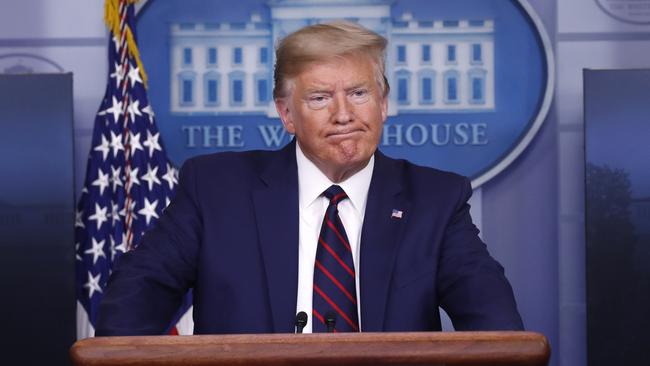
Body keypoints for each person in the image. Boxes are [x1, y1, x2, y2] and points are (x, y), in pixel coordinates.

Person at [96, 21, 523, 335]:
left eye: (359, 93)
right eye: (320, 98)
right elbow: (134, 301)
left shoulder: (435, 199)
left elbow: (496, 325)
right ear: (286, 114)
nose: (344, 114)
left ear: (384, 103)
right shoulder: (215, 189)